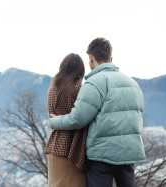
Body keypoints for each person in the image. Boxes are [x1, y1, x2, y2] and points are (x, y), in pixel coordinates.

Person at [50, 38, 146, 187]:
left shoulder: (94, 83)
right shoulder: (133, 84)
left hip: (102, 156)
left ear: (90, 57)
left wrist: (55, 121)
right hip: (129, 153)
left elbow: (78, 119)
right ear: (111, 59)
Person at [45, 53, 88, 187]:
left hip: (55, 145)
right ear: (80, 69)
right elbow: (82, 117)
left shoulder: (53, 88)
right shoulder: (79, 88)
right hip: (75, 147)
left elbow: (52, 118)